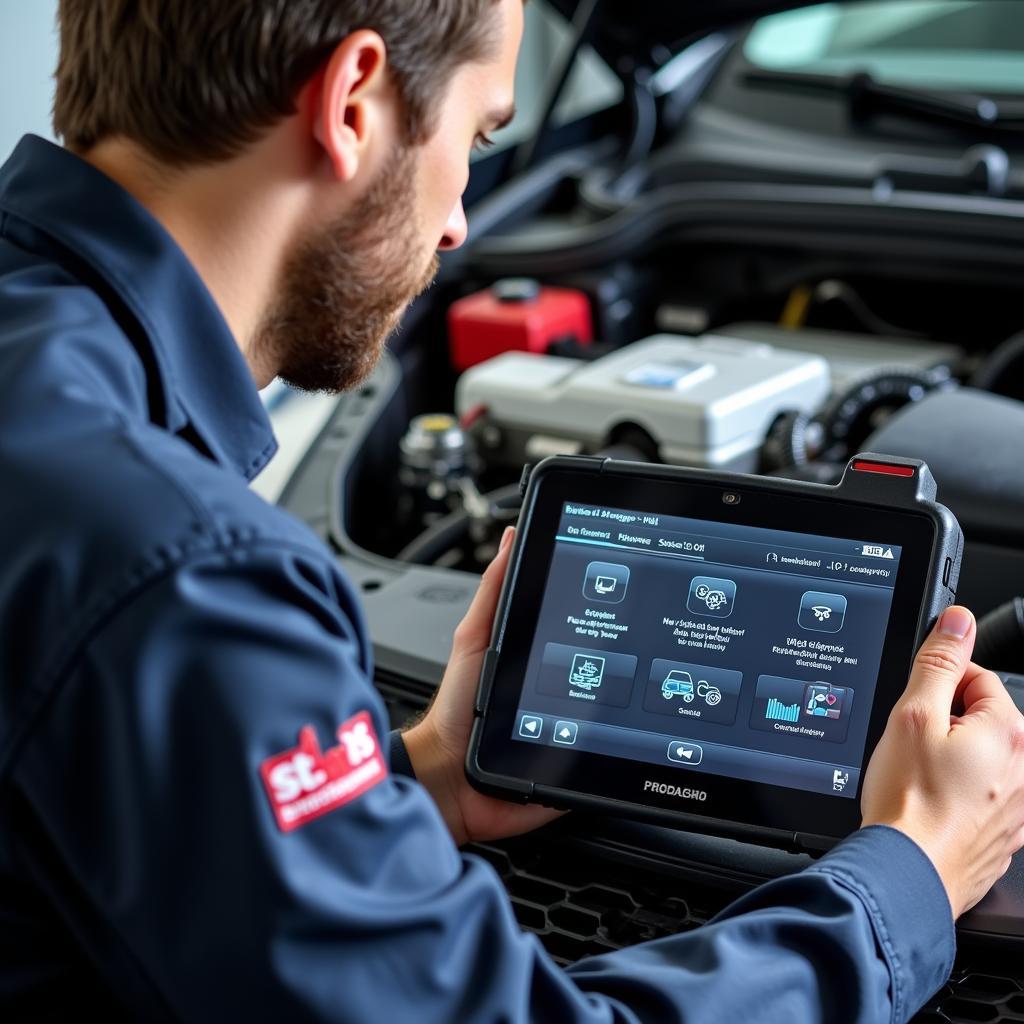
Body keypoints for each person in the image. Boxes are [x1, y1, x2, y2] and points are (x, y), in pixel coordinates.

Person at [1, 1, 1023, 1020]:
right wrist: (911, 879)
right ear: (352, 101)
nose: (459, 224)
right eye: (478, 135)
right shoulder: (185, 571)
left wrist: (414, 780)